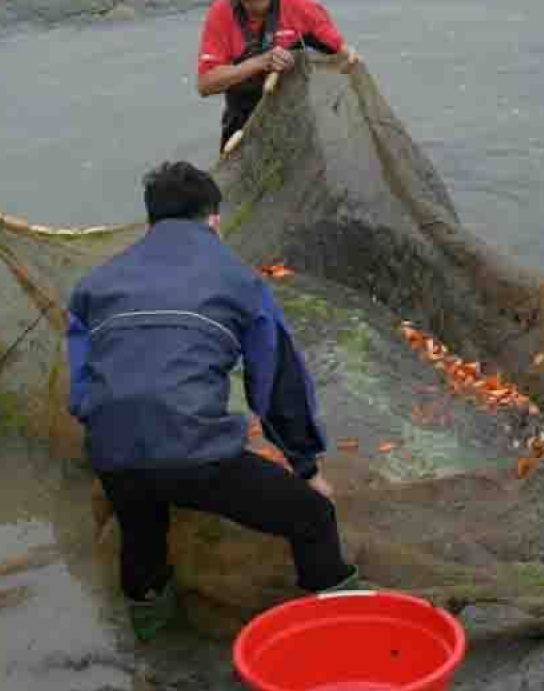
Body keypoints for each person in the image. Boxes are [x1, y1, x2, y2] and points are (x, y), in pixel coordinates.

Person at [66, 161, 360, 640]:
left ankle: (152, 649)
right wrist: (306, 468)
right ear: (215, 220)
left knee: (141, 537)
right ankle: (340, 634)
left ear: (150, 223)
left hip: (112, 454)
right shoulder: (239, 280)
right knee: (313, 518)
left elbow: (82, 388)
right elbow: (278, 384)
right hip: (195, 456)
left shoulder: (96, 283)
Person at [197, 0, 361, 149]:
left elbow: (345, 56)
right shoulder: (220, 15)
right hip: (243, 124)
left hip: (296, 118)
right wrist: (259, 62)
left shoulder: (303, 9)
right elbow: (205, 85)